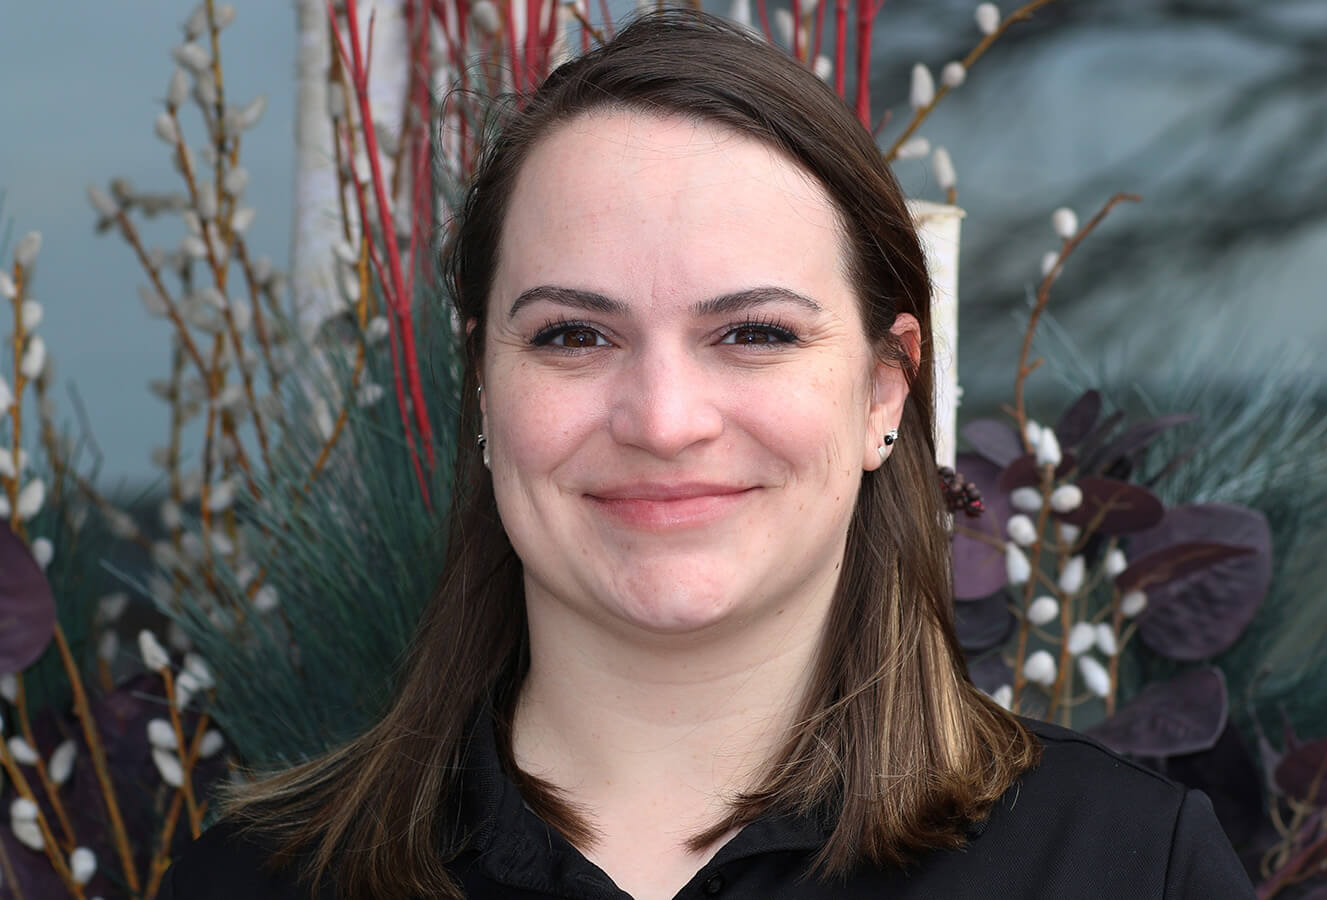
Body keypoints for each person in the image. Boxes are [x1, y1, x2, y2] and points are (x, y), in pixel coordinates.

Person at [157, 9, 1254, 899]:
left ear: (884, 389)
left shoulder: (1122, 868)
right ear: (483, 388)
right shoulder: (253, 884)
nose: (664, 419)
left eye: (754, 334)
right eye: (573, 335)